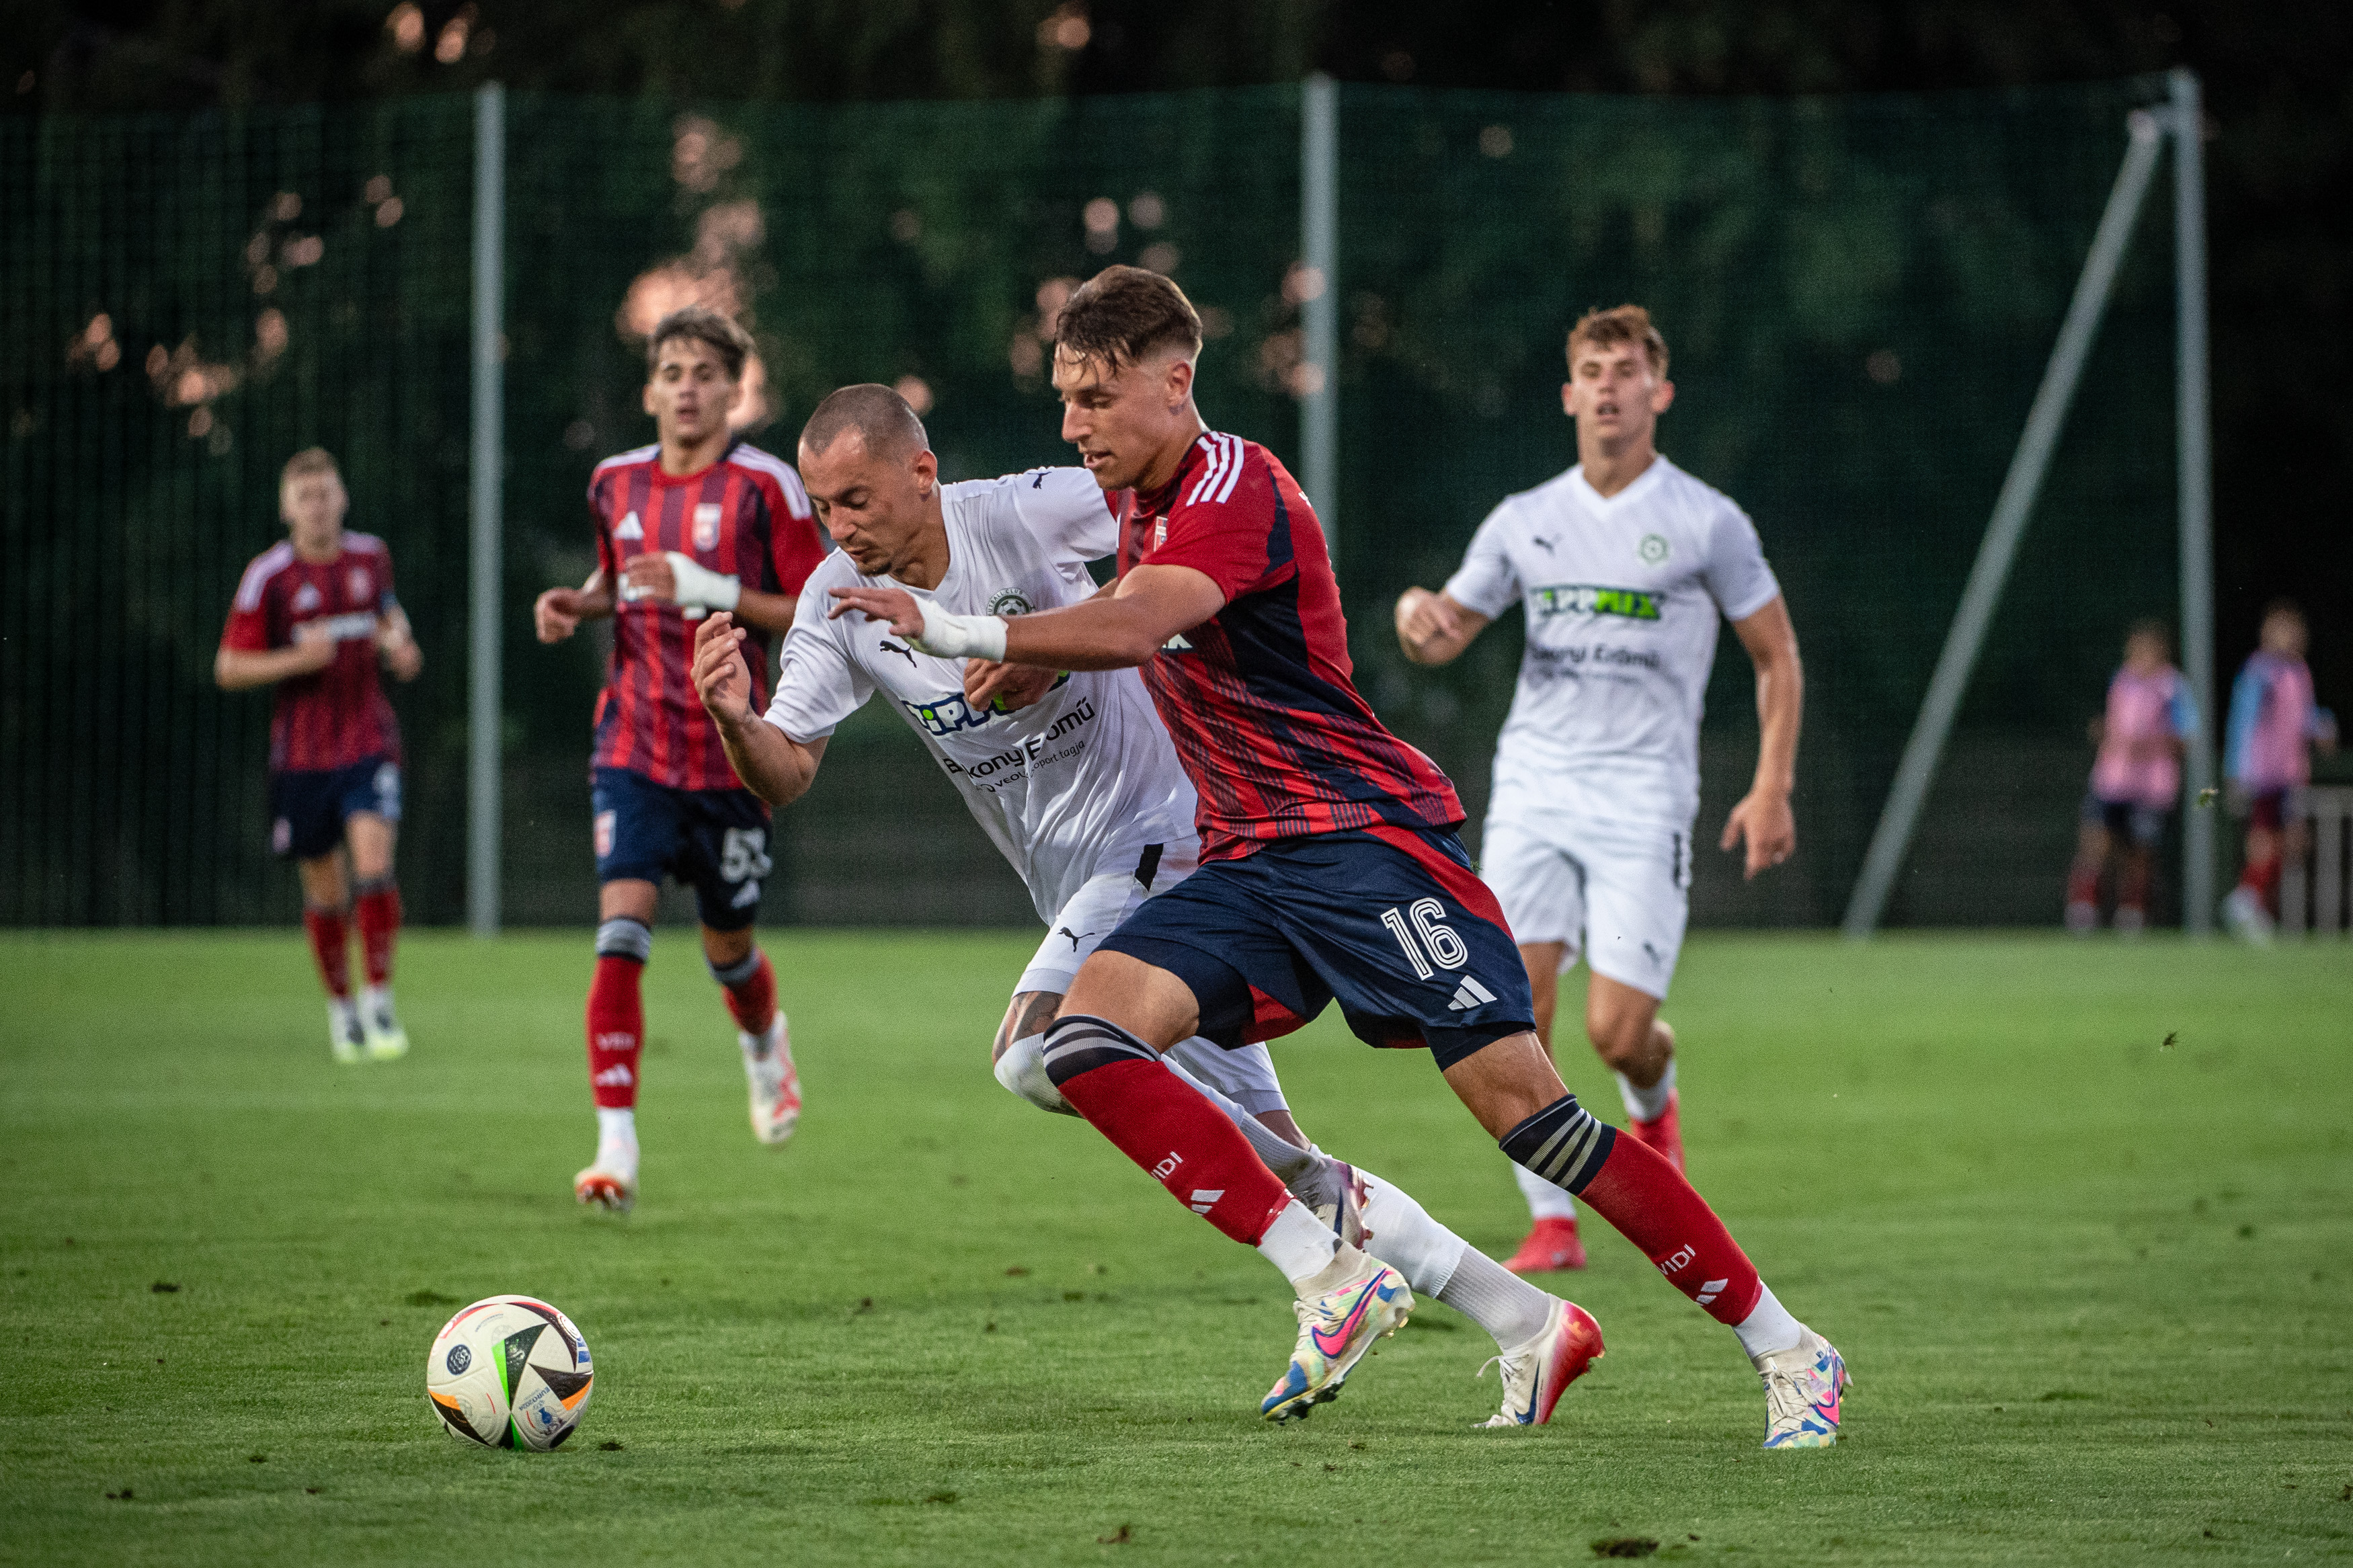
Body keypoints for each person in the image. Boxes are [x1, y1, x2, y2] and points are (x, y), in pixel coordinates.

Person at [829, 267, 1845, 1447]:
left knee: (1539, 1124)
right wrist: (1046, 652)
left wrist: (959, 626)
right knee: (1081, 1040)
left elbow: (1145, 619)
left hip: (1364, 846)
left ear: (1176, 382)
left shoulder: (1236, 485)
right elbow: (1133, 604)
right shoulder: (1139, 505)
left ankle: (1791, 1348)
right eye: (1065, 398)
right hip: (1247, 864)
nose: (1072, 425)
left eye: (1096, 398)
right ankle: (1332, 1273)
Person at [692, 382, 1602, 1428]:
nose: (839, 527)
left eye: (856, 499)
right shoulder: (834, 602)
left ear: (922, 472)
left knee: (1037, 1052)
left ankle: (1328, 1277)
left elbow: (1173, 556)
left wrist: (1038, 643)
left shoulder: (1028, 509)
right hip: (1084, 888)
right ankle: (1528, 1320)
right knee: (1283, 1161)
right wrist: (735, 720)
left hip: (1173, 834)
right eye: (821, 507)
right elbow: (787, 770)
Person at [1391, 304, 1803, 1278]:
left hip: (1644, 794)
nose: (1608, 386)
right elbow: (1447, 628)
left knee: (1616, 1033)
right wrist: (1415, 617)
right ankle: (1553, 1219)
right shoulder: (1526, 519)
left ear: (1659, 392)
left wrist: (1771, 785)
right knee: (1510, 1009)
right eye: (1592, 370)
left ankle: (1654, 1106)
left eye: (1625, 370)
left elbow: (1776, 656)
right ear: (1569, 395)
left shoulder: (1706, 520)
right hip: (1537, 785)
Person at [532, 305, 828, 1212]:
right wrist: (579, 604)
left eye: (705, 373)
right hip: (633, 745)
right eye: (672, 372)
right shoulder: (614, 482)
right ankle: (614, 1148)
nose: (687, 388)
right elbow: (621, 577)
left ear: (735, 390)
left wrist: (711, 588)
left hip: (734, 753)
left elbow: (814, 604)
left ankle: (763, 1040)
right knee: (621, 933)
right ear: (651, 390)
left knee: (728, 950)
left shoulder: (766, 486)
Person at [216, 447, 422, 1063]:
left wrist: (401, 645)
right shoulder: (269, 576)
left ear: (343, 499)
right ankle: (341, 1010)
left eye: (326, 493)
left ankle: (379, 1000)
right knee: (326, 889)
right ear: (287, 508)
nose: (317, 506)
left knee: (374, 865)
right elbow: (229, 667)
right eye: (305, 496)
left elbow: (388, 615)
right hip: (302, 756)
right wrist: (295, 660)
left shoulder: (370, 556)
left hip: (368, 739)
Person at [2066, 621, 2196, 934]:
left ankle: (2133, 911)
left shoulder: (2173, 688)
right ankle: (2084, 908)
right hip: (2112, 780)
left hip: (2152, 786)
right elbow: (2110, 726)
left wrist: (2152, 744)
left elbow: (2188, 737)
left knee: (2140, 850)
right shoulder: (2121, 680)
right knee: (2095, 841)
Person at [2221, 600, 2337, 940]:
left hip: (2291, 773)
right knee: (2265, 840)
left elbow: (2303, 717)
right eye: (2281, 630)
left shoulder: (2299, 672)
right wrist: (2237, 772)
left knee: (2294, 843)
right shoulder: (2259, 672)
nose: (2290, 637)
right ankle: (2247, 901)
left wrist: (2321, 726)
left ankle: (2251, 900)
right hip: (2263, 774)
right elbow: (2242, 723)